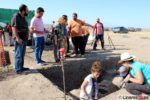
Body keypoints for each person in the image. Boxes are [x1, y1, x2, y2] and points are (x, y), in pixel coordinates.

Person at [11, 4, 30, 74]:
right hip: (19, 39)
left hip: (24, 39)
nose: (28, 11)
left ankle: (21, 67)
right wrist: (17, 38)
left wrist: (27, 35)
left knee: (22, 54)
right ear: (23, 10)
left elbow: (26, 27)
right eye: (27, 10)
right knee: (18, 54)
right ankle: (18, 70)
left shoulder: (23, 17)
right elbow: (14, 28)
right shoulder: (16, 16)